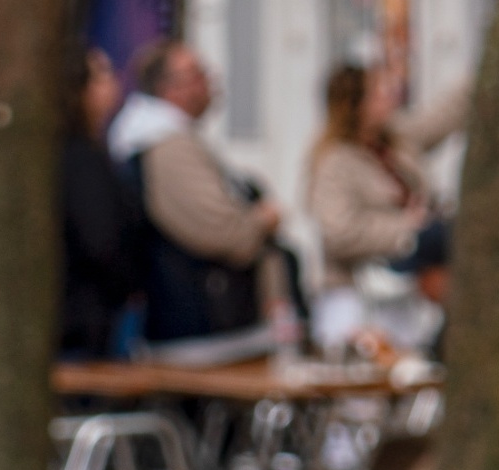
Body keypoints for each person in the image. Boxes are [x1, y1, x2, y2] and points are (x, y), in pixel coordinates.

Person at [115, 39, 289, 346]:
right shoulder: (165, 146)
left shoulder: (174, 139)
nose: (210, 82)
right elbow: (224, 232)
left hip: (209, 322)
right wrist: (262, 219)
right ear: (169, 88)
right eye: (197, 74)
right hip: (199, 326)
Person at [306, 62, 467, 349]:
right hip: (371, 278)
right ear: (356, 105)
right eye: (378, 92)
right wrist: (408, 227)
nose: (389, 97)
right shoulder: (335, 162)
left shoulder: (395, 141)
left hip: (411, 275)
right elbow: (340, 233)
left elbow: (441, 117)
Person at [60, 46, 147, 358]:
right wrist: (130, 284)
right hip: (86, 320)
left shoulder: (90, 150)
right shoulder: (80, 158)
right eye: (104, 74)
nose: (115, 82)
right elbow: (101, 239)